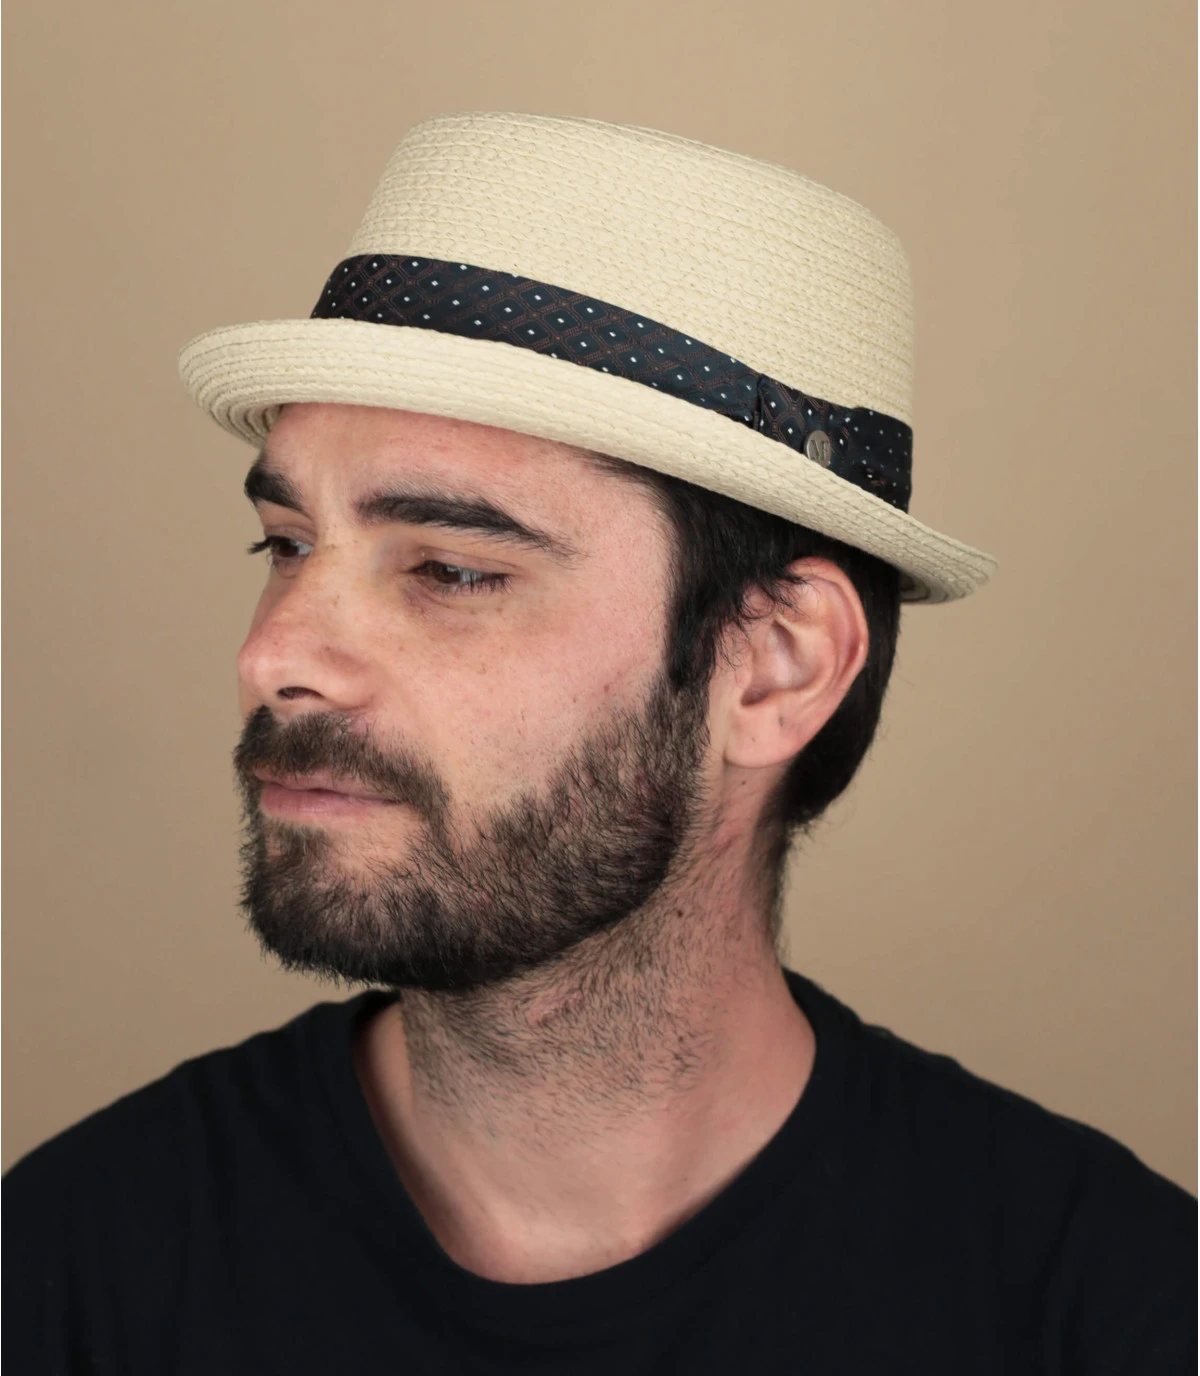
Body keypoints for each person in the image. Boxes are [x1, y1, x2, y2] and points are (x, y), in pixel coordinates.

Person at [4, 111, 1193, 1374]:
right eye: (286, 544)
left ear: (778, 665)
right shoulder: (69, 1270)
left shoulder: (1112, 1308)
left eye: (452, 569)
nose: (275, 654)